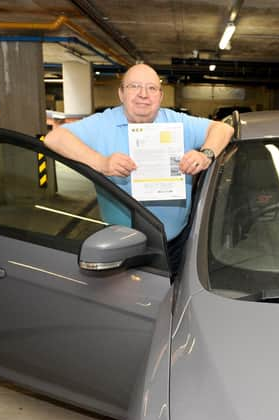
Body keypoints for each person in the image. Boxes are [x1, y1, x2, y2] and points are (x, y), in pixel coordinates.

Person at [44, 63, 234, 274]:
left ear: (160, 96)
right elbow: (55, 138)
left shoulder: (177, 122)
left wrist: (205, 154)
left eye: (152, 88)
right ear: (121, 93)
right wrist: (101, 162)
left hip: (177, 242)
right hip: (120, 245)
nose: (144, 94)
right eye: (135, 86)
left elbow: (223, 128)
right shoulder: (103, 124)